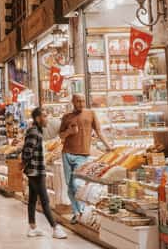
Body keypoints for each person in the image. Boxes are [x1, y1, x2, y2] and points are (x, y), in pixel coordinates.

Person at [59, 95, 112, 224]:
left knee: (77, 184)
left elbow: (99, 131)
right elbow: (61, 136)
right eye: (78, 101)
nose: (81, 103)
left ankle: (81, 211)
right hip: (67, 154)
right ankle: (76, 212)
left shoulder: (91, 114)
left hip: (82, 155)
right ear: (73, 102)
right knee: (70, 185)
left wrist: (109, 147)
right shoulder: (67, 117)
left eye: (83, 101)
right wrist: (69, 132)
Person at [22, 108, 68, 239]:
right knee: (45, 200)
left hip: (35, 170)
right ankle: (55, 228)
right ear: (37, 119)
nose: (47, 118)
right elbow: (27, 152)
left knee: (32, 199)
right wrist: (25, 164)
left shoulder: (38, 132)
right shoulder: (34, 132)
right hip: (36, 171)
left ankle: (32, 228)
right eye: (44, 116)